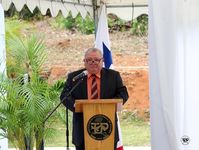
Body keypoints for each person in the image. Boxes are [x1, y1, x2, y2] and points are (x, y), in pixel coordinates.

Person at [60, 47, 129, 150]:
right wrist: (75, 105)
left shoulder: (113, 76)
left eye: (96, 60)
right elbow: (65, 95)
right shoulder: (75, 77)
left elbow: (123, 93)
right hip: (82, 130)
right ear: (84, 62)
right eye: (89, 60)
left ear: (102, 61)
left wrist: (112, 104)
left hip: (107, 128)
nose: (93, 62)